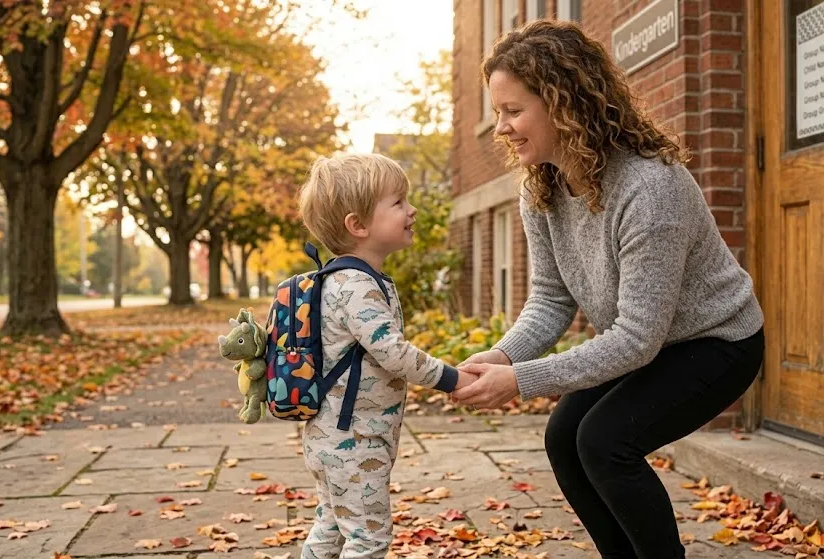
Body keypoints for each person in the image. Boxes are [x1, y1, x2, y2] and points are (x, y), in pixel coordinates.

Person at [452, 20, 765, 559]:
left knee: (604, 442)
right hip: (647, 341)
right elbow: (551, 299)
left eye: (513, 110)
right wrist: (504, 355)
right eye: (497, 112)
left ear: (564, 103)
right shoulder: (542, 186)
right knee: (563, 438)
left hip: (717, 342)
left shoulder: (650, 189)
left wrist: (520, 379)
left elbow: (638, 340)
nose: (501, 127)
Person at [296, 153, 475, 559]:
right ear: (358, 225)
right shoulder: (356, 285)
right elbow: (393, 353)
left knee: (331, 527)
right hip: (353, 440)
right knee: (368, 539)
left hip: (337, 434)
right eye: (398, 202)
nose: (411, 210)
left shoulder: (346, 279)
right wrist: (452, 378)